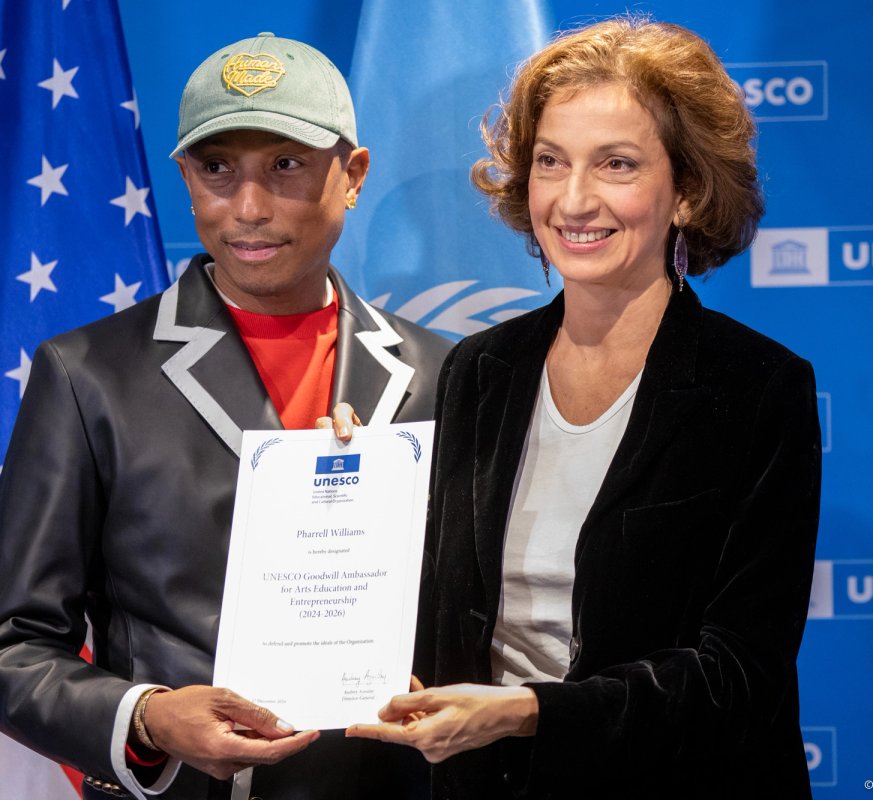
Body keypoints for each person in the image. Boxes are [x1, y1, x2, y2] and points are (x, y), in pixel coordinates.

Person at [0, 32, 449, 800]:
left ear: (352, 174)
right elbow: (8, 655)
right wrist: (149, 717)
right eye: (217, 169)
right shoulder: (89, 375)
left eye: (285, 165)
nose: (248, 208)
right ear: (186, 177)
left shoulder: (446, 372)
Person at [346, 17, 822, 797]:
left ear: (687, 191)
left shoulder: (756, 386)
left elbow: (740, 674)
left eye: (616, 164)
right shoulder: (480, 370)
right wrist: (351, 492)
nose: (573, 199)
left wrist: (530, 713)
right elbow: (438, 613)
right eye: (550, 161)